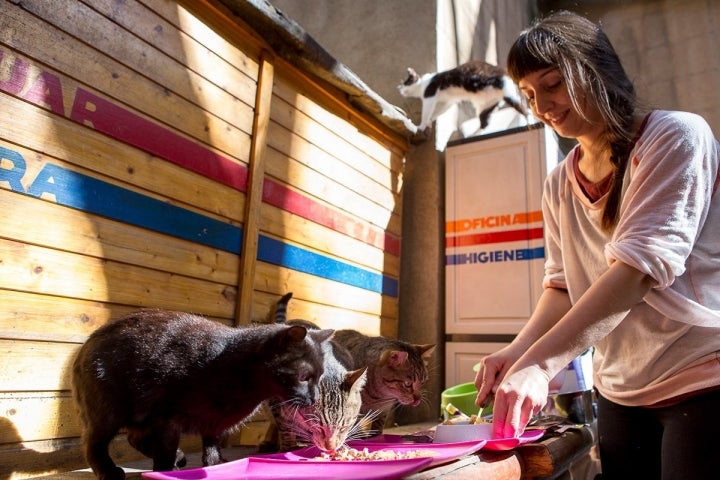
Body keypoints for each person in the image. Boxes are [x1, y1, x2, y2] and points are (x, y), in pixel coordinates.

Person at [473, 10, 720, 480]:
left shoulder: (674, 136)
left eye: (552, 84)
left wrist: (542, 367)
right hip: (620, 391)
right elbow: (562, 288)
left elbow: (637, 271)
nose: (542, 104)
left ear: (596, 69)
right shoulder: (559, 184)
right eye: (528, 94)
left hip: (703, 376)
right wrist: (519, 356)